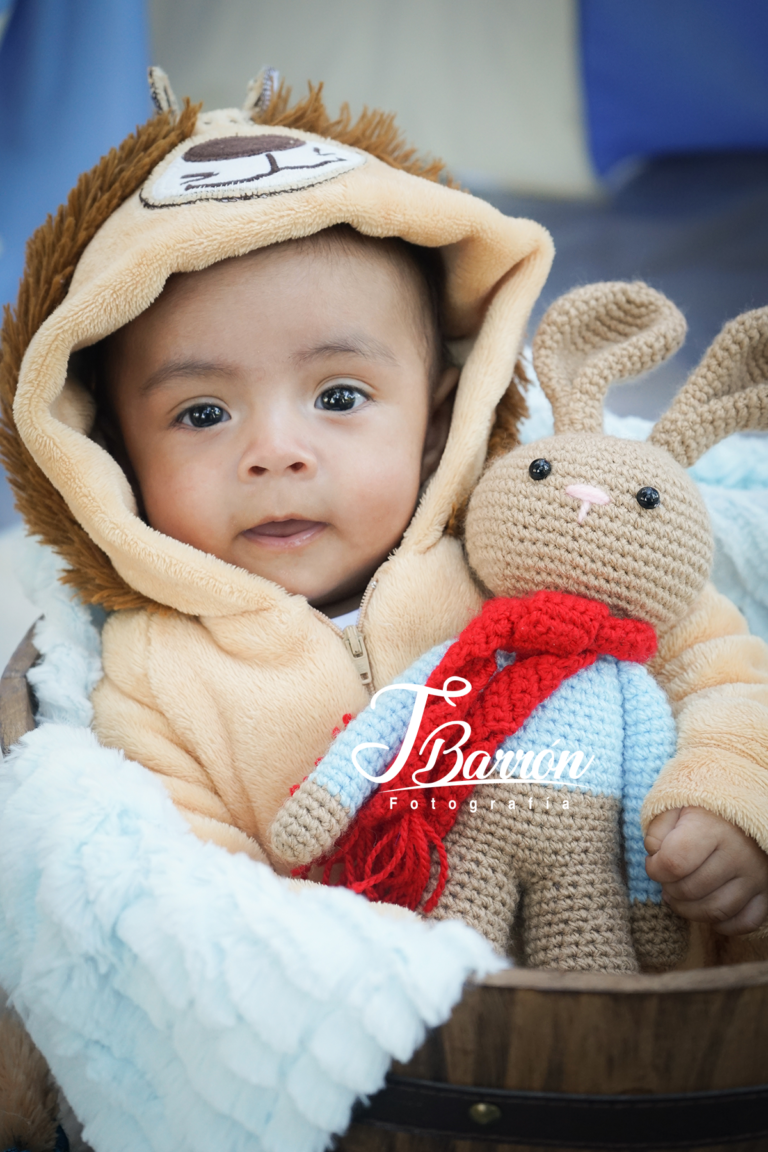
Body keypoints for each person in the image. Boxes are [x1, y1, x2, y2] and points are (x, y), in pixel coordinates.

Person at [4, 75, 768, 965]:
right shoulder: (150, 674)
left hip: (632, 998)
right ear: (113, 458)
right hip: (384, 1048)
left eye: (338, 395)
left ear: (440, 422)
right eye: (202, 413)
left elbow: (720, 669)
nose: (276, 452)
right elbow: (182, 891)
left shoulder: (530, 547)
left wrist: (723, 800)